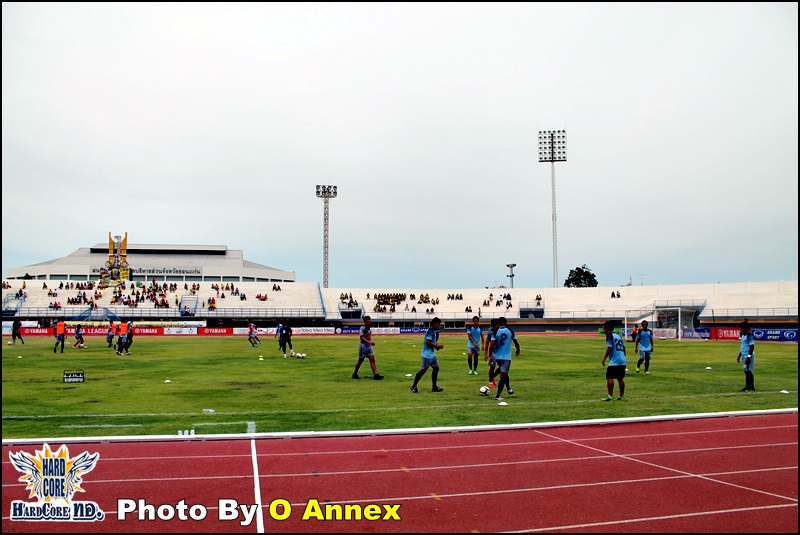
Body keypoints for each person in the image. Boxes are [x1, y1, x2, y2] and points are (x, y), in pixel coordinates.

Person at [487, 316, 520, 401]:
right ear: (506, 323)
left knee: (504, 372)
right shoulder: (510, 331)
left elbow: (491, 344)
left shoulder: (495, 332)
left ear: (498, 323)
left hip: (497, 357)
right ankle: (497, 396)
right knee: (503, 375)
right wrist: (518, 349)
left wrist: (490, 356)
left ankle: (509, 389)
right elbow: (515, 341)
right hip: (506, 357)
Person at [410, 317, 444, 393]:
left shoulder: (433, 331)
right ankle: (413, 386)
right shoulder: (430, 331)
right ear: (434, 324)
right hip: (427, 355)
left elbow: (432, 342)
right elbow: (428, 342)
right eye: (438, 324)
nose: (439, 326)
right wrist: (437, 346)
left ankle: (434, 387)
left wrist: (436, 346)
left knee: (436, 368)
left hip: (432, 354)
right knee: (423, 371)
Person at [601, 320, 627, 401]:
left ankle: (610, 396)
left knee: (609, 377)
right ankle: (621, 396)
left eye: (604, 328)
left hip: (615, 360)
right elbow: (624, 347)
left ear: (608, 329)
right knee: (620, 378)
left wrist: (604, 358)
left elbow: (610, 347)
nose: (603, 330)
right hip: (622, 360)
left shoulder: (609, 336)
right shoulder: (617, 336)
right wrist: (624, 357)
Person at [352, 316, 384, 380]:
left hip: (369, 347)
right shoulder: (362, 328)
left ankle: (376, 375)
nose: (369, 322)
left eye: (370, 321)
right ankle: (355, 374)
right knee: (360, 361)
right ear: (365, 322)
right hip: (363, 347)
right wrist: (369, 342)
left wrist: (369, 343)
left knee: (372, 360)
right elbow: (361, 337)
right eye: (368, 321)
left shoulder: (368, 328)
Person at [737, 320, 756, 392]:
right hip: (744, 355)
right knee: (747, 371)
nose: (741, 329)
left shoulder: (749, 336)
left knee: (747, 371)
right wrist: (739, 356)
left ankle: (748, 387)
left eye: (742, 328)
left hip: (747, 356)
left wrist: (749, 356)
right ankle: (751, 386)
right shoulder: (743, 336)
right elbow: (743, 346)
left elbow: (752, 346)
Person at [484, 318, 500, 388]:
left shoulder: (500, 331)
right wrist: (486, 354)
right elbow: (487, 343)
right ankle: (490, 382)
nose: (497, 326)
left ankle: (493, 377)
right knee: (492, 366)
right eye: (495, 325)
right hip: (493, 351)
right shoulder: (490, 332)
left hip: (500, 351)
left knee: (502, 367)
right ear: (492, 325)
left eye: (498, 325)